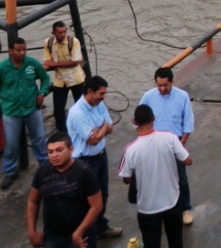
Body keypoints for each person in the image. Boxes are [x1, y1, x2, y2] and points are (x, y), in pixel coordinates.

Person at [118, 104, 192, 248]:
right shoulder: (169, 138)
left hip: (147, 207)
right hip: (172, 201)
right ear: (153, 118)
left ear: (134, 122)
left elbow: (126, 179)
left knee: (151, 243)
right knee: (176, 241)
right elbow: (188, 161)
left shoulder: (130, 149)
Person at [0, 37, 50, 190]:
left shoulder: (32, 64)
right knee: (12, 142)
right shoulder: (2, 68)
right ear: (10, 51)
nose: (22, 53)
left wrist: (42, 93)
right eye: (18, 50)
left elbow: (45, 78)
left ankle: (45, 167)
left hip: (31, 108)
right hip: (11, 111)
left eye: (24, 49)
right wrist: (6, 95)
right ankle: (10, 171)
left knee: (39, 138)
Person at [67, 75, 122, 239]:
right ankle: (85, 232)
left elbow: (109, 127)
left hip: (101, 157)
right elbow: (92, 140)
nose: (103, 97)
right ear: (90, 91)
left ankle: (100, 226)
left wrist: (102, 129)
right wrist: (103, 127)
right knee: (87, 199)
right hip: (85, 161)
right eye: (101, 93)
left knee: (102, 194)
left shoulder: (99, 104)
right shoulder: (77, 113)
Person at [139, 67, 195, 225]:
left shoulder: (182, 96)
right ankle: (160, 208)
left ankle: (186, 208)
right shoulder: (148, 97)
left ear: (172, 82)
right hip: (153, 143)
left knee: (181, 178)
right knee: (156, 177)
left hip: (176, 142)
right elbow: (140, 119)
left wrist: (181, 144)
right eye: (159, 86)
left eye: (165, 85)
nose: (162, 89)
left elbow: (188, 123)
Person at [27, 132, 103, 248]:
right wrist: (32, 232)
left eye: (59, 150)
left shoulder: (84, 172)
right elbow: (33, 201)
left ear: (71, 150)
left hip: (81, 237)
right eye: (50, 152)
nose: (54, 155)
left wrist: (79, 232)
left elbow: (97, 205)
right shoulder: (42, 171)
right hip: (52, 237)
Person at [43, 21, 86, 134]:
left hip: (75, 78)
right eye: (60, 32)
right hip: (60, 80)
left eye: (64, 32)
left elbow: (74, 62)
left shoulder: (74, 41)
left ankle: (81, 128)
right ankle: (62, 132)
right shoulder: (48, 43)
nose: (63, 35)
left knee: (81, 106)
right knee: (58, 109)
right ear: (53, 33)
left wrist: (54, 64)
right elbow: (47, 60)